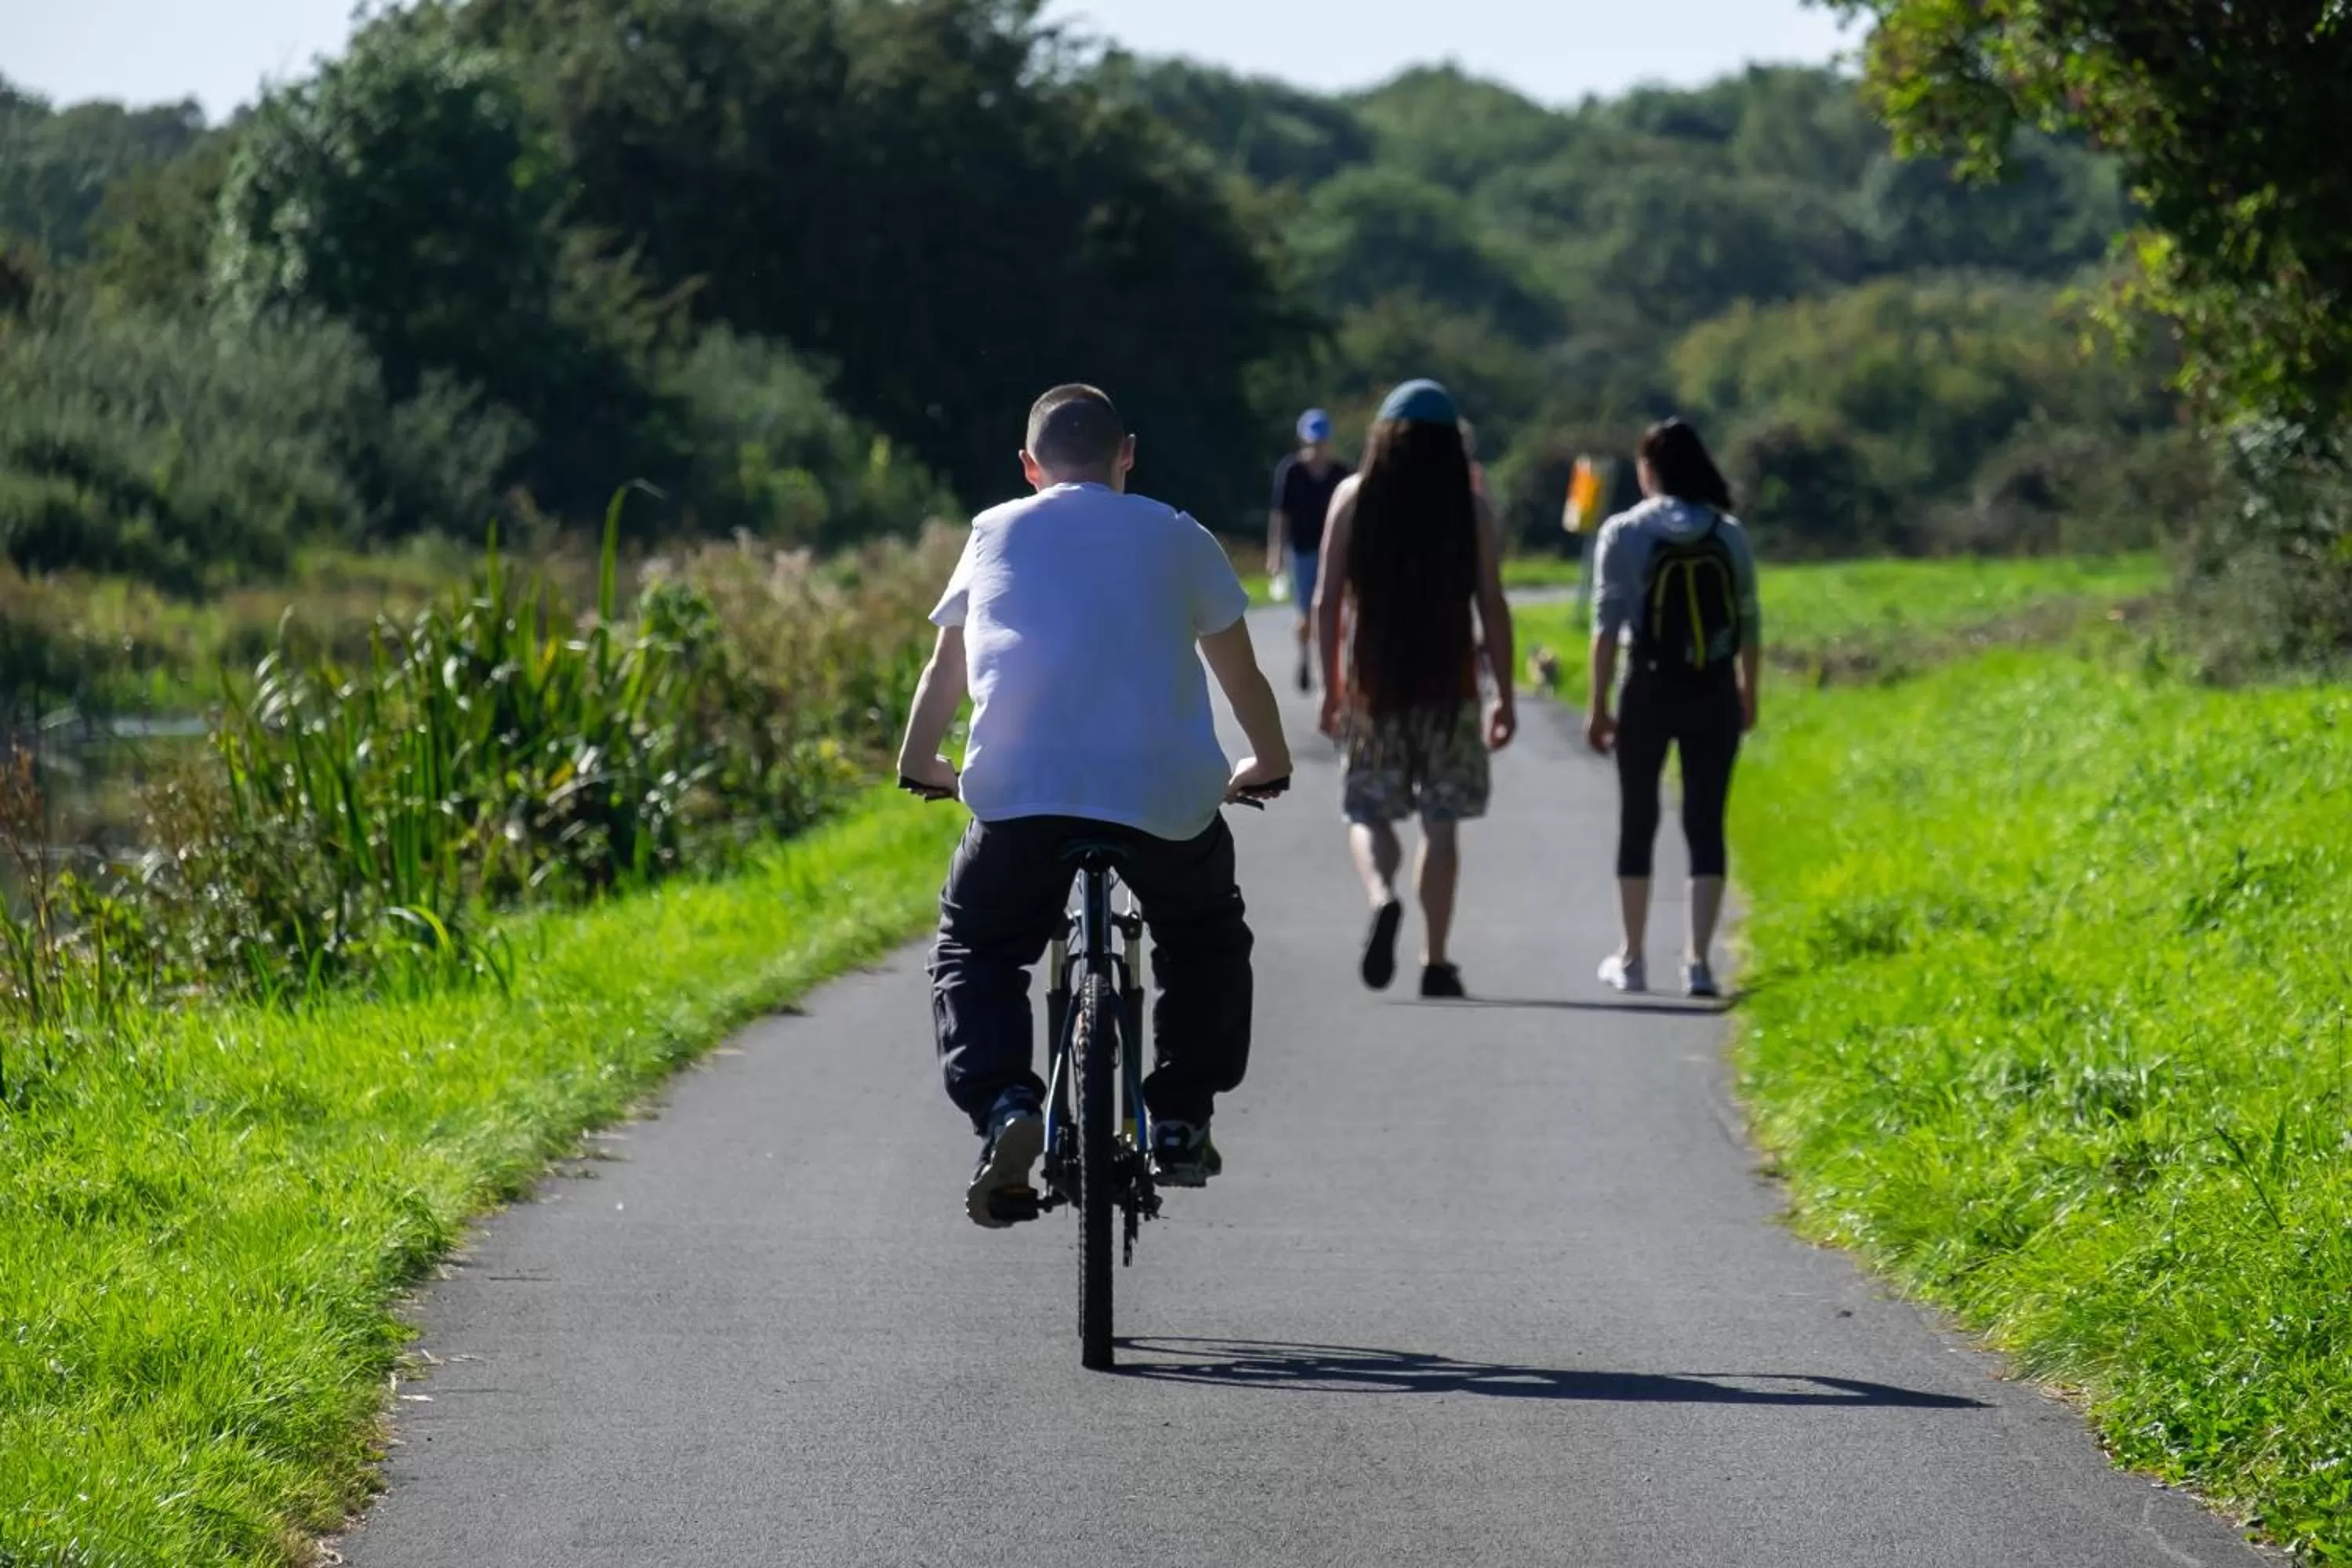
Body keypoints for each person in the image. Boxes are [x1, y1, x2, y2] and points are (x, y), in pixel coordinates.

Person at [898, 384, 1294, 1229]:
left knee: (975, 945)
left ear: (1028, 466)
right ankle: (1182, 1112)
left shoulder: (993, 530)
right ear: (1128, 454)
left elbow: (947, 671)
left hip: (1020, 796)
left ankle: (1007, 1106)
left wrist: (918, 760)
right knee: (1202, 933)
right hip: (1163, 795)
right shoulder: (1181, 535)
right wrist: (1269, 758)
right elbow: (1242, 676)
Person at [1315, 379, 1516, 1000]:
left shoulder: (1354, 497)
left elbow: (1326, 602)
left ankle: (1382, 896)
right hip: (1450, 686)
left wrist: (1332, 687)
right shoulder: (1471, 507)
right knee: (1442, 822)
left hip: (1375, 688)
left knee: (1368, 811)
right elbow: (1492, 603)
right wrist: (1504, 693)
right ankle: (1435, 959)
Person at [1583, 417, 1762, 1000]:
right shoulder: (1728, 532)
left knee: (1638, 820)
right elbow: (1750, 620)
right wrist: (1748, 691)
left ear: (1648, 470)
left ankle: (1632, 960)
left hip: (1648, 688)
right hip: (1713, 689)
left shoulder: (1624, 532)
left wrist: (1598, 704)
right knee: (1705, 823)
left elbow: (1606, 627)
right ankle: (1699, 964)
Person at [1268, 409, 1352, 692]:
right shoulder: (1291, 472)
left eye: (1322, 442)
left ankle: (1333, 665)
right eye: (1313, 442)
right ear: (1304, 441)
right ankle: (1306, 657)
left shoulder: (1342, 474)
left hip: (1336, 552)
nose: (1317, 448)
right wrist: (1275, 553)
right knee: (1307, 612)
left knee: (1336, 609)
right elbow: (1280, 516)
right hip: (1302, 552)